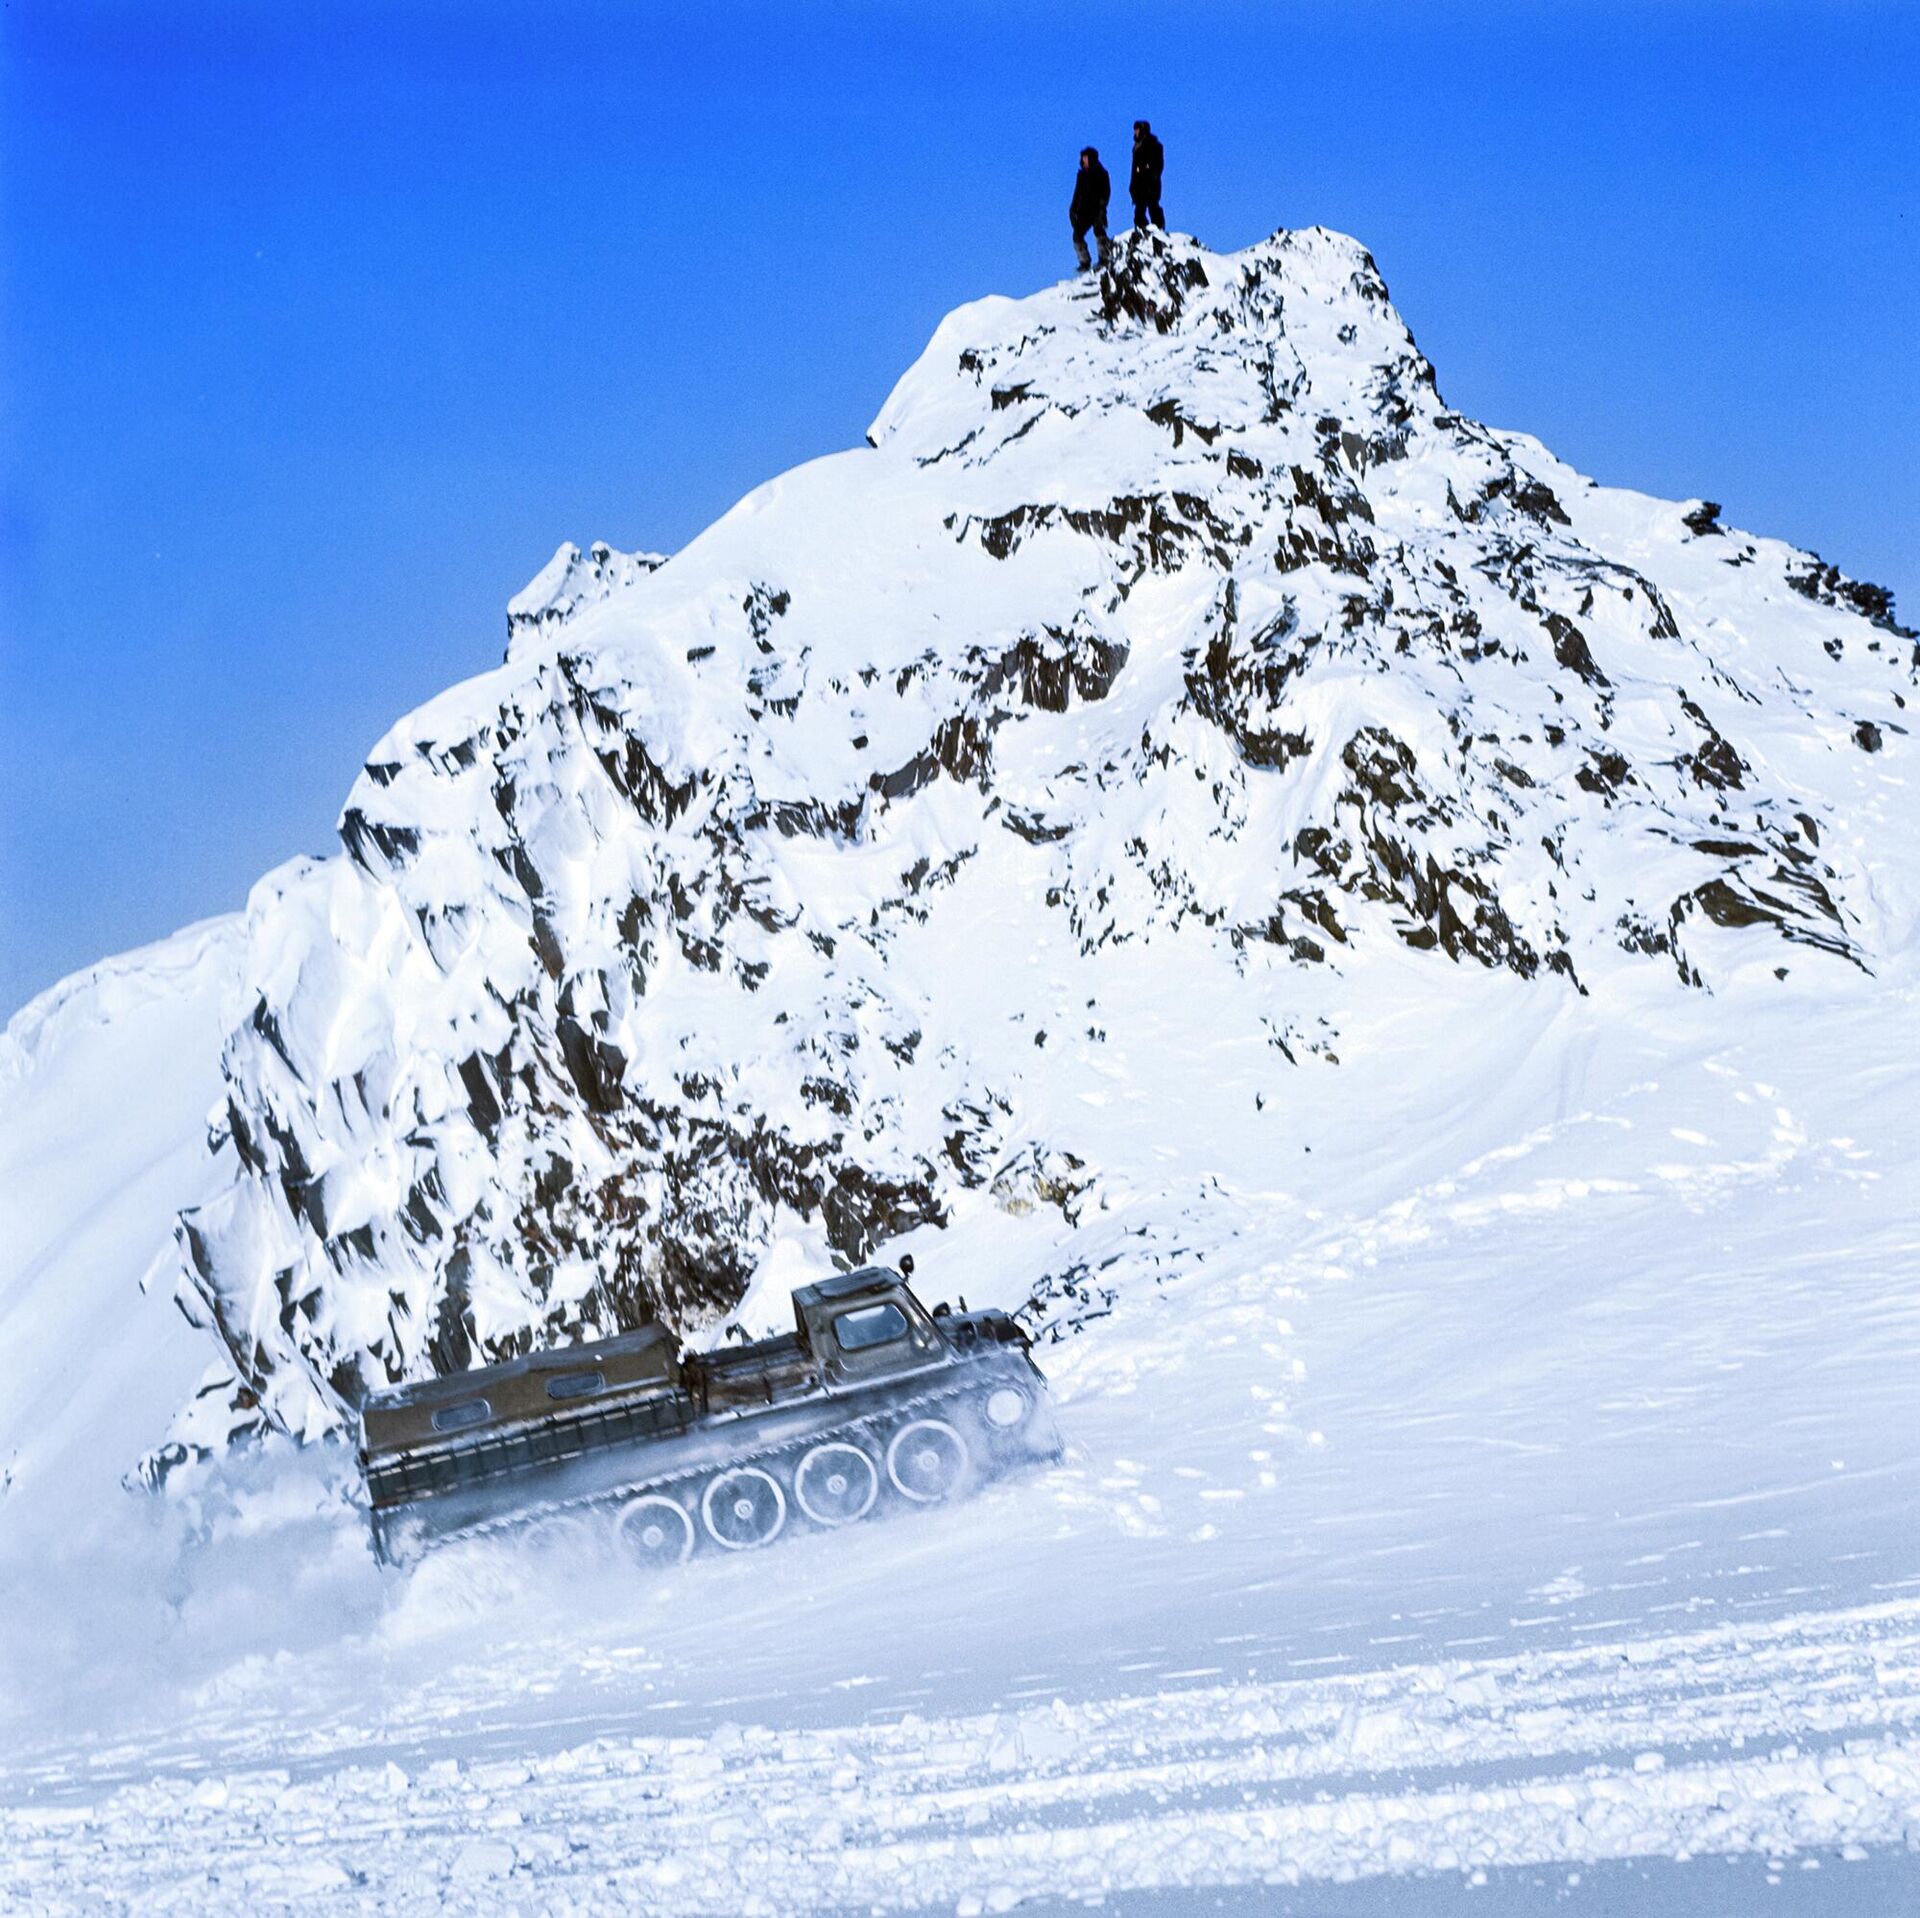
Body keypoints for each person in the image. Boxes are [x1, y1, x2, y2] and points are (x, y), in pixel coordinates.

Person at [1070, 146, 1111, 273]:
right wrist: (1073, 208)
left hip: (1097, 209)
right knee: (1077, 235)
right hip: (1084, 210)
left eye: (1086, 157)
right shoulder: (1081, 175)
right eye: (1083, 157)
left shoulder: (1101, 173)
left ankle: (1104, 259)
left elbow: (1106, 191)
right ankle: (1084, 262)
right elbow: (1077, 193)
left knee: (1099, 232)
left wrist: (1102, 205)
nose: (1084, 160)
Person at [1130, 120, 1165, 230]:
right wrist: (1132, 185)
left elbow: (1158, 164)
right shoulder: (1136, 147)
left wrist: (1152, 175)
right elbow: (1134, 169)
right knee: (1139, 210)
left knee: (1153, 206)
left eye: (1137, 129)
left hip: (1150, 183)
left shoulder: (1154, 145)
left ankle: (1158, 230)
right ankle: (1142, 232)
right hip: (1139, 184)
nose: (1135, 132)